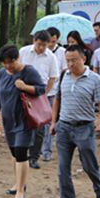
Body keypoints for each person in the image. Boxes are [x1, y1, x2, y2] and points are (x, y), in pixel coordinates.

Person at [49, 46, 100, 198]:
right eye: (68, 60)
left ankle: (99, 188)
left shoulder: (94, 79)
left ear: (83, 59)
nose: (70, 64)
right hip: (64, 127)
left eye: (74, 60)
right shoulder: (64, 76)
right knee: (63, 168)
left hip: (85, 128)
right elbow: (57, 99)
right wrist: (53, 122)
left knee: (89, 165)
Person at [0, 44, 46, 198]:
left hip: (24, 119)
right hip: (8, 120)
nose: (8, 66)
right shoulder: (2, 73)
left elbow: (41, 89)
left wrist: (25, 87)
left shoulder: (29, 71)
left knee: (21, 152)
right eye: (5, 63)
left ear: (18, 58)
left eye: (11, 62)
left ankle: (21, 190)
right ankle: (17, 183)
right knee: (14, 153)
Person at [18, 30, 58, 169]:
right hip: (23, 92)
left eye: (44, 45)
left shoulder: (51, 57)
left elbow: (53, 77)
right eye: (39, 44)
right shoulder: (24, 52)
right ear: (34, 40)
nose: (41, 47)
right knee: (23, 124)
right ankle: (22, 153)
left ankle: (34, 157)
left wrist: (45, 94)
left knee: (40, 127)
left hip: (41, 94)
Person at [42, 27, 66, 162]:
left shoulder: (61, 52)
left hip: (54, 91)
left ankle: (46, 150)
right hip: (39, 92)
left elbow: (65, 69)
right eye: (49, 41)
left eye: (53, 41)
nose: (51, 44)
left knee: (49, 121)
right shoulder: (40, 51)